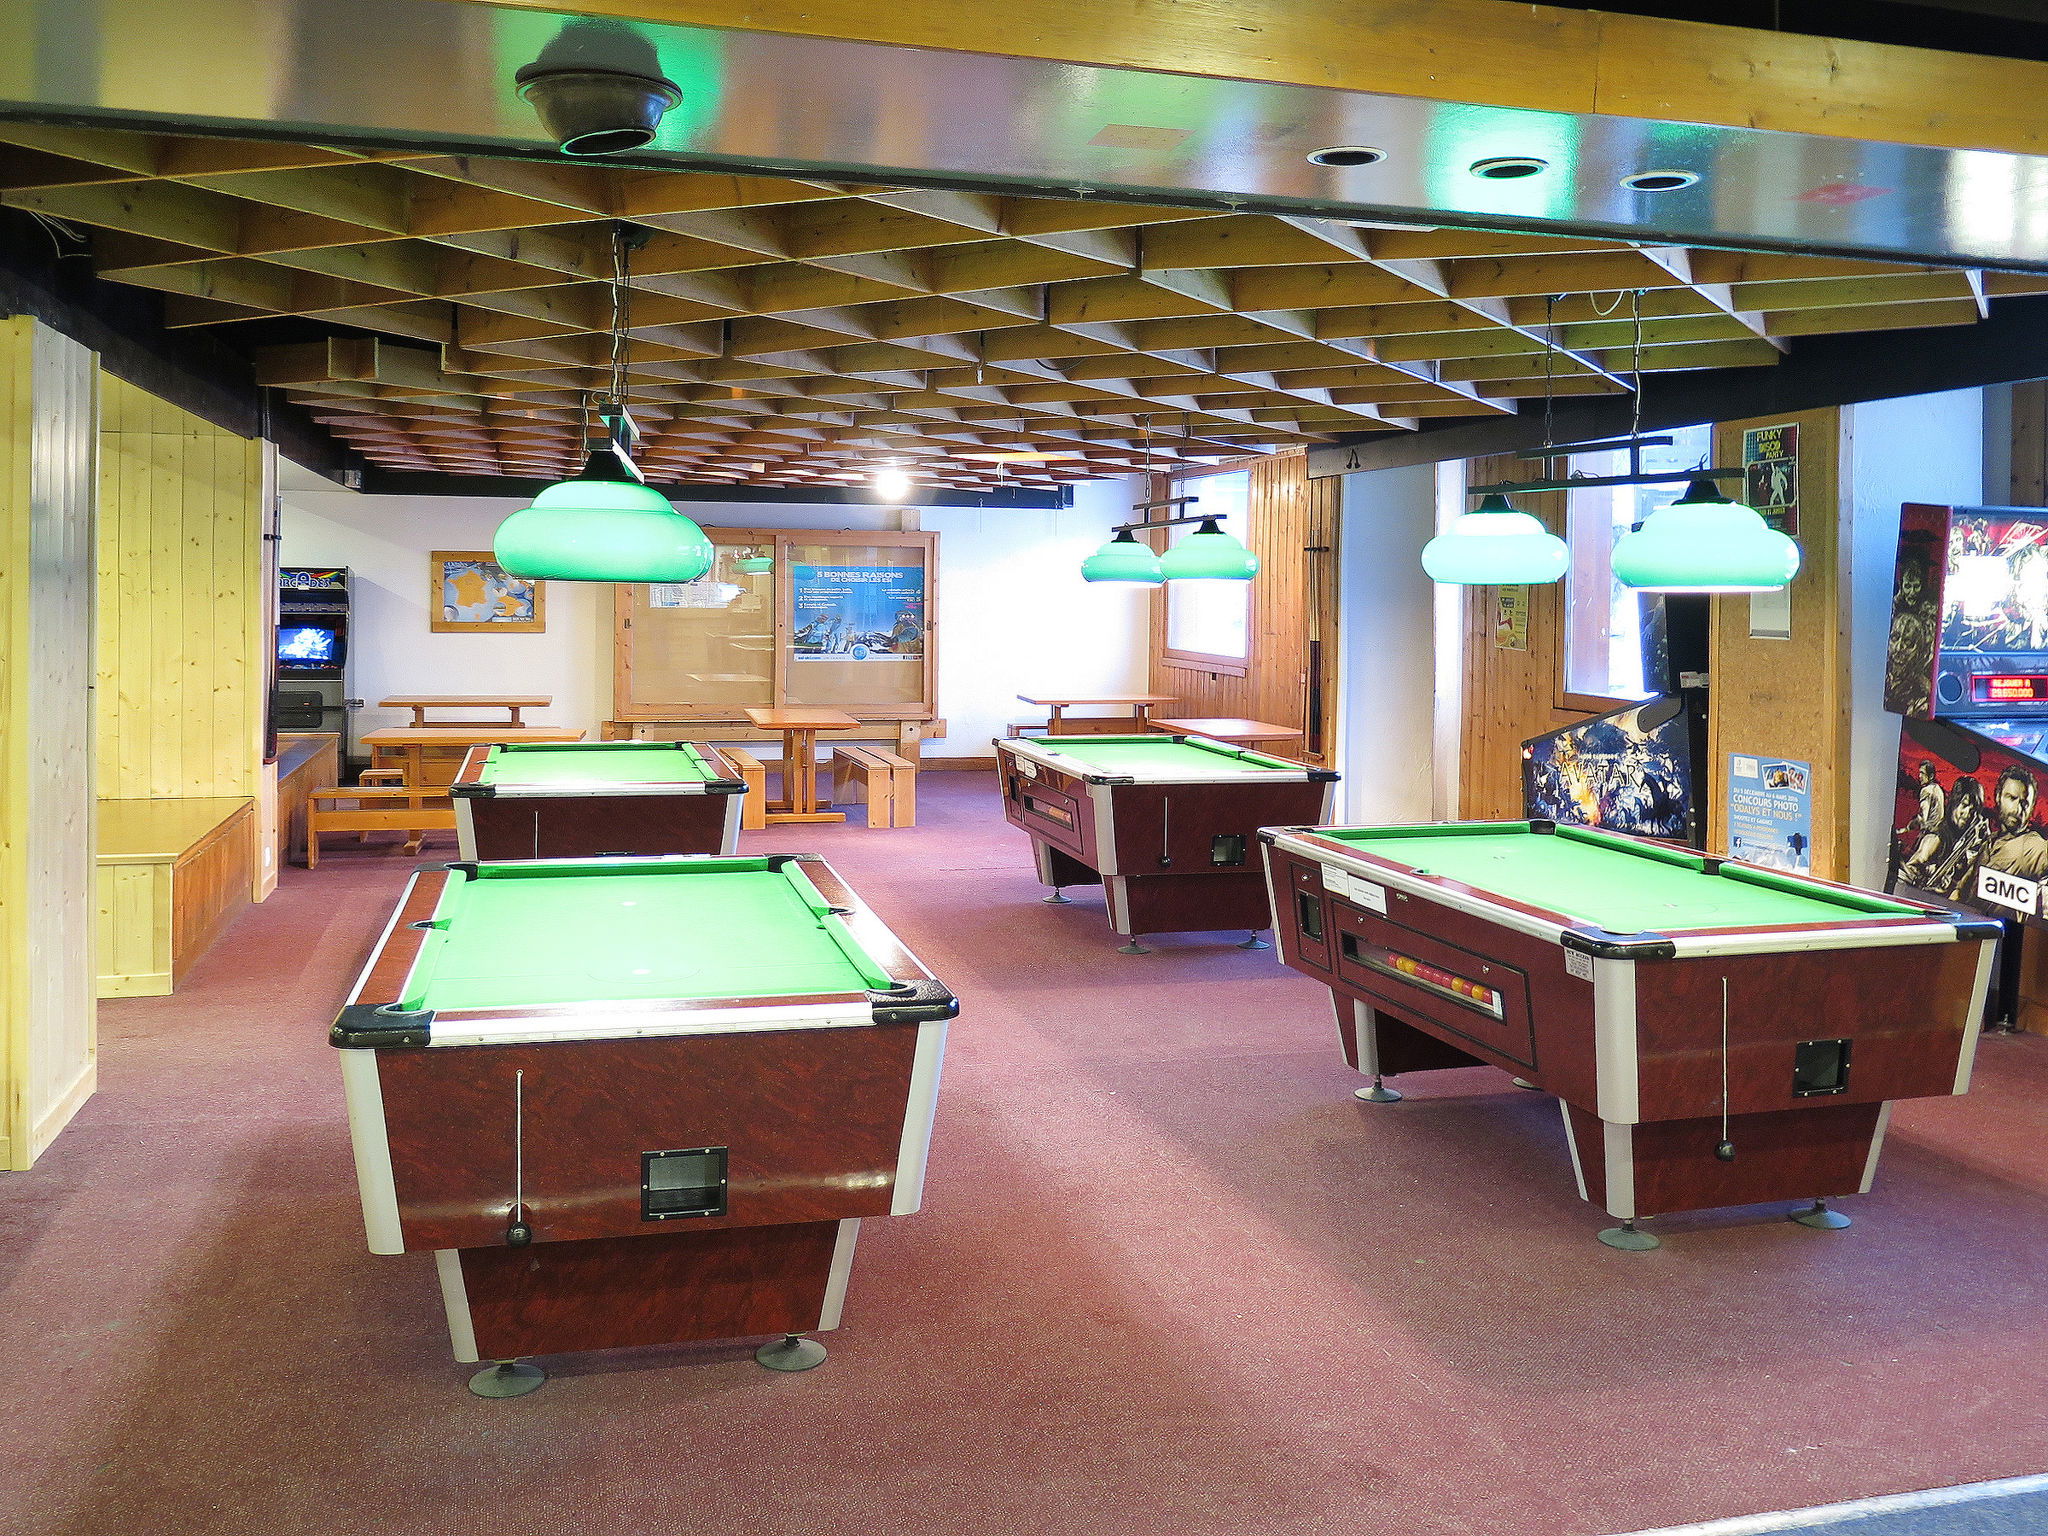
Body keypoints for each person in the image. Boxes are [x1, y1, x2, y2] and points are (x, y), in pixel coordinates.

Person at [1985, 765, 2048, 882]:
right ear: (1998, 797)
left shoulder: (2033, 846)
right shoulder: (1989, 841)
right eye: (2012, 798)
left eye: (2024, 803)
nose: (2018, 809)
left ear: (2032, 808)